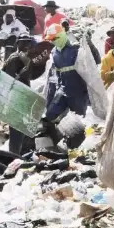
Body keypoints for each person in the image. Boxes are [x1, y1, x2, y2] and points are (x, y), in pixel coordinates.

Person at [36, 24, 90, 156]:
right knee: (49, 116)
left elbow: (89, 73)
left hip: (77, 92)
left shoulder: (76, 49)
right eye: (51, 39)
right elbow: (53, 77)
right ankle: (54, 143)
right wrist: (50, 96)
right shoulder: (55, 52)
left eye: (55, 38)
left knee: (78, 123)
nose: (53, 41)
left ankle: (76, 152)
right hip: (62, 90)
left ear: (62, 35)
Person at [2, 33, 35, 155]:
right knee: (16, 129)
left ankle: (17, 154)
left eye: (28, 42)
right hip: (15, 99)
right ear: (17, 44)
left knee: (20, 129)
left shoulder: (25, 58)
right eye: (23, 42)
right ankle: (14, 155)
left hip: (22, 99)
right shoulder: (15, 58)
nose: (26, 45)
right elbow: (10, 81)